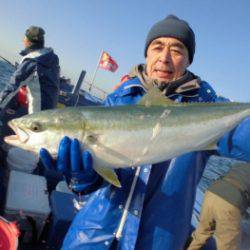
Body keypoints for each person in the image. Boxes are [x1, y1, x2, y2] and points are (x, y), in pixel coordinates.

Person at [40, 15, 250, 250]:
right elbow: (92, 183)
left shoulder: (207, 109)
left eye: (177, 49)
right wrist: (80, 176)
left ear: (188, 60)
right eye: (157, 47)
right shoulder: (118, 100)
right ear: (147, 54)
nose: (164, 57)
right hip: (91, 238)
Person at [187, 162, 250, 250]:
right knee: (228, 246)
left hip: (211, 193)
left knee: (201, 233)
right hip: (230, 202)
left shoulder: (243, 163)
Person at [0, 26, 60, 113]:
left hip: (38, 113)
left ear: (29, 42)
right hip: (50, 109)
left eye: (24, 37)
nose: (23, 40)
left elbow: (12, 86)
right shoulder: (52, 58)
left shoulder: (32, 62)